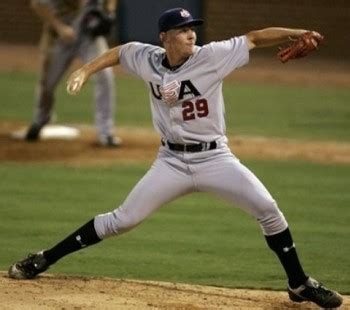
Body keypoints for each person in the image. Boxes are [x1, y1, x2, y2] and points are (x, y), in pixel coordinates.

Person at [9, 7, 342, 308]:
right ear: (165, 38)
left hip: (215, 159)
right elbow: (119, 52)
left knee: (268, 209)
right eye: (183, 30)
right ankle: (43, 258)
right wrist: (85, 70)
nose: (191, 34)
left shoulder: (212, 56)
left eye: (192, 29)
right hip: (170, 162)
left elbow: (254, 38)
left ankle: (298, 282)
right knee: (122, 219)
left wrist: (296, 33)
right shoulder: (148, 58)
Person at [25, 0, 121, 147]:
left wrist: (110, 10)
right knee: (48, 83)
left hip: (88, 34)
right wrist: (59, 27)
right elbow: (37, 4)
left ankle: (105, 132)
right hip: (61, 33)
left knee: (105, 75)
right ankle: (41, 118)